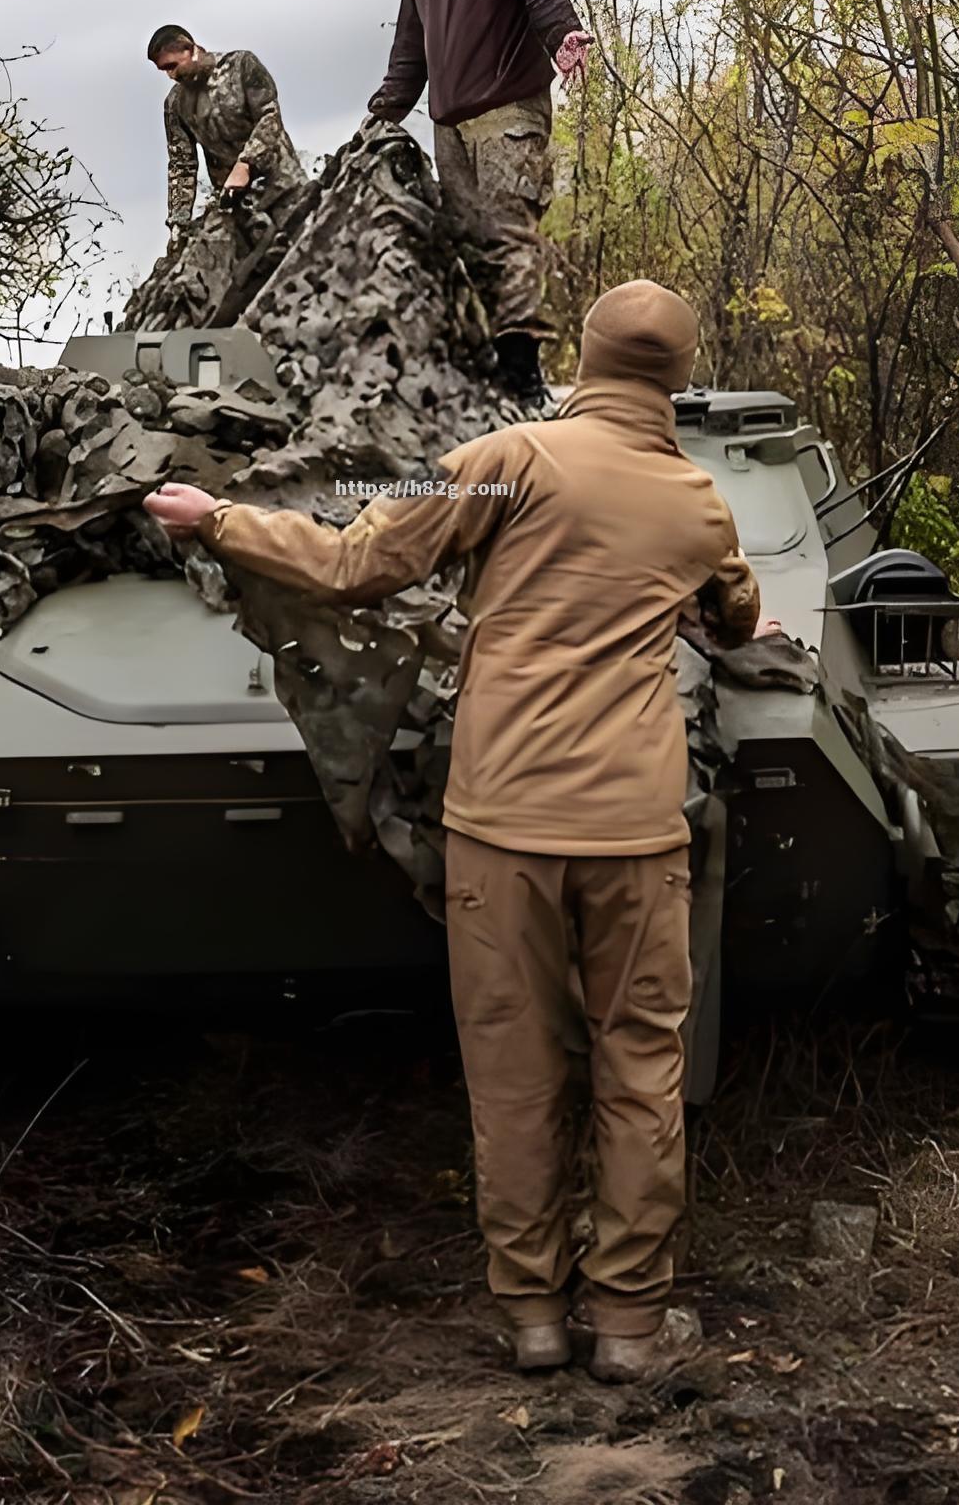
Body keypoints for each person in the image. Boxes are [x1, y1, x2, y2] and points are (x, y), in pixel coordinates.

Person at [143, 279, 779, 1382]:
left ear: (581, 358)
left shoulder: (510, 458)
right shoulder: (696, 499)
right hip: (635, 829)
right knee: (640, 1067)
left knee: (516, 1070)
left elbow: (359, 560)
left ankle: (532, 1315)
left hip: (505, 821)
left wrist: (221, 519)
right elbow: (734, 614)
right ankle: (628, 1324)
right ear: (676, 378)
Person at [367, 0, 594, 408]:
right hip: (450, 123)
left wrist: (564, 36)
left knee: (506, 235)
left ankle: (523, 376)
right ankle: (486, 368)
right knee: (466, 245)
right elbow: (410, 44)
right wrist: (385, 112)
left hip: (507, 108)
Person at [153, 25, 306, 247]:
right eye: (165, 70)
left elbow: (269, 117)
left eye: (173, 66)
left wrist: (245, 163)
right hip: (238, 207)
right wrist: (178, 222)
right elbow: (181, 164)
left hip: (283, 185)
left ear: (191, 49)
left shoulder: (241, 66)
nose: (171, 75)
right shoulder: (175, 104)